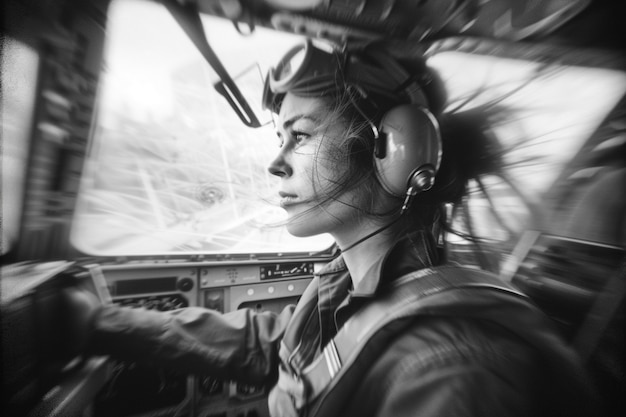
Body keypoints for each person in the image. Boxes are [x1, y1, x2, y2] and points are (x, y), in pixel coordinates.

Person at [69, 39, 597, 417]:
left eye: (299, 136)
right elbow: (279, 349)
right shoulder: (346, 283)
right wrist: (101, 324)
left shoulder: (454, 371)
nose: (275, 164)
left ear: (393, 150)